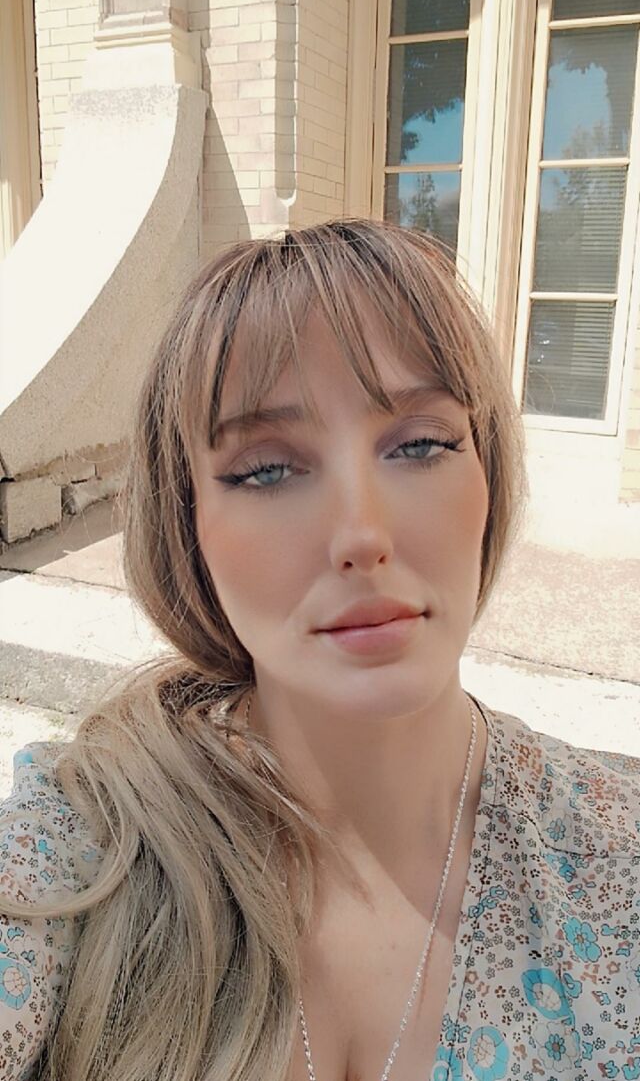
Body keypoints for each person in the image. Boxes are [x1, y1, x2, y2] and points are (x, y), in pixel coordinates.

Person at [0, 219, 639, 1081]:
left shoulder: (615, 856)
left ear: (488, 476)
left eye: (421, 444)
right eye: (266, 469)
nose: (362, 535)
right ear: (188, 524)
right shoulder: (82, 840)